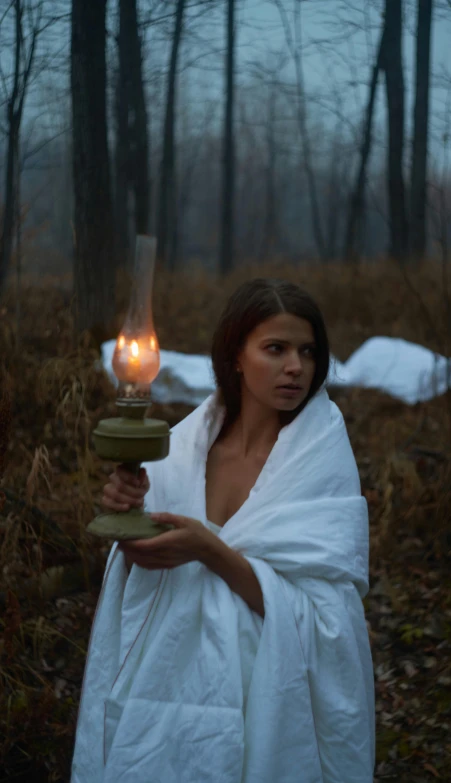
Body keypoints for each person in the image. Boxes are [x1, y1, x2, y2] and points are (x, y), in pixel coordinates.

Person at [71, 278, 375, 783]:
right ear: (236, 354)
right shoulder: (183, 448)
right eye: (275, 349)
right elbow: (142, 564)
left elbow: (328, 620)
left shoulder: (319, 457)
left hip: (267, 694)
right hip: (165, 690)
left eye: (308, 351)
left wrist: (210, 550)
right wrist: (128, 514)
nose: (296, 367)